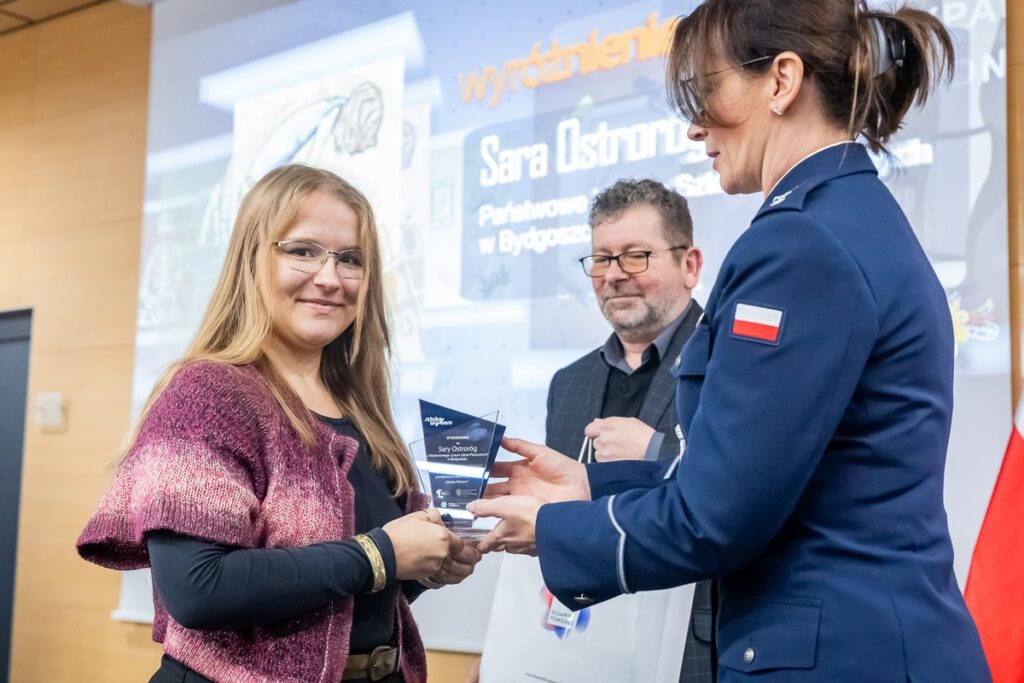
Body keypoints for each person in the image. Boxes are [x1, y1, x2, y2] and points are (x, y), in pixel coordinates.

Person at [468, 1, 992, 680]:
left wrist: (551, 528)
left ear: (781, 81)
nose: (695, 126)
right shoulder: (847, 216)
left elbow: (715, 517)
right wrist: (590, 484)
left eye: (706, 90)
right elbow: (760, 475)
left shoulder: (800, 242)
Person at [77, 164, 481, 683]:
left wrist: (428, 564)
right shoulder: (207, 393)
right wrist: (382, 553)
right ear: (253, 259)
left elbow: (351, 596)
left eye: (350, 259)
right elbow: (199, 589)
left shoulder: (364, 414)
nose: (330, 278)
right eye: (303, 251)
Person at [470, 180, 712, 683]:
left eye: (636, 256)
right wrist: (509, 649)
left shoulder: (731, 364)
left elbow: (747, 489)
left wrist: (657, 451)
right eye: (601, 259)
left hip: (691, 649)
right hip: (581, 649)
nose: (615, 274)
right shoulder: (569, 382)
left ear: (689, 265)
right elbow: (559, 526)